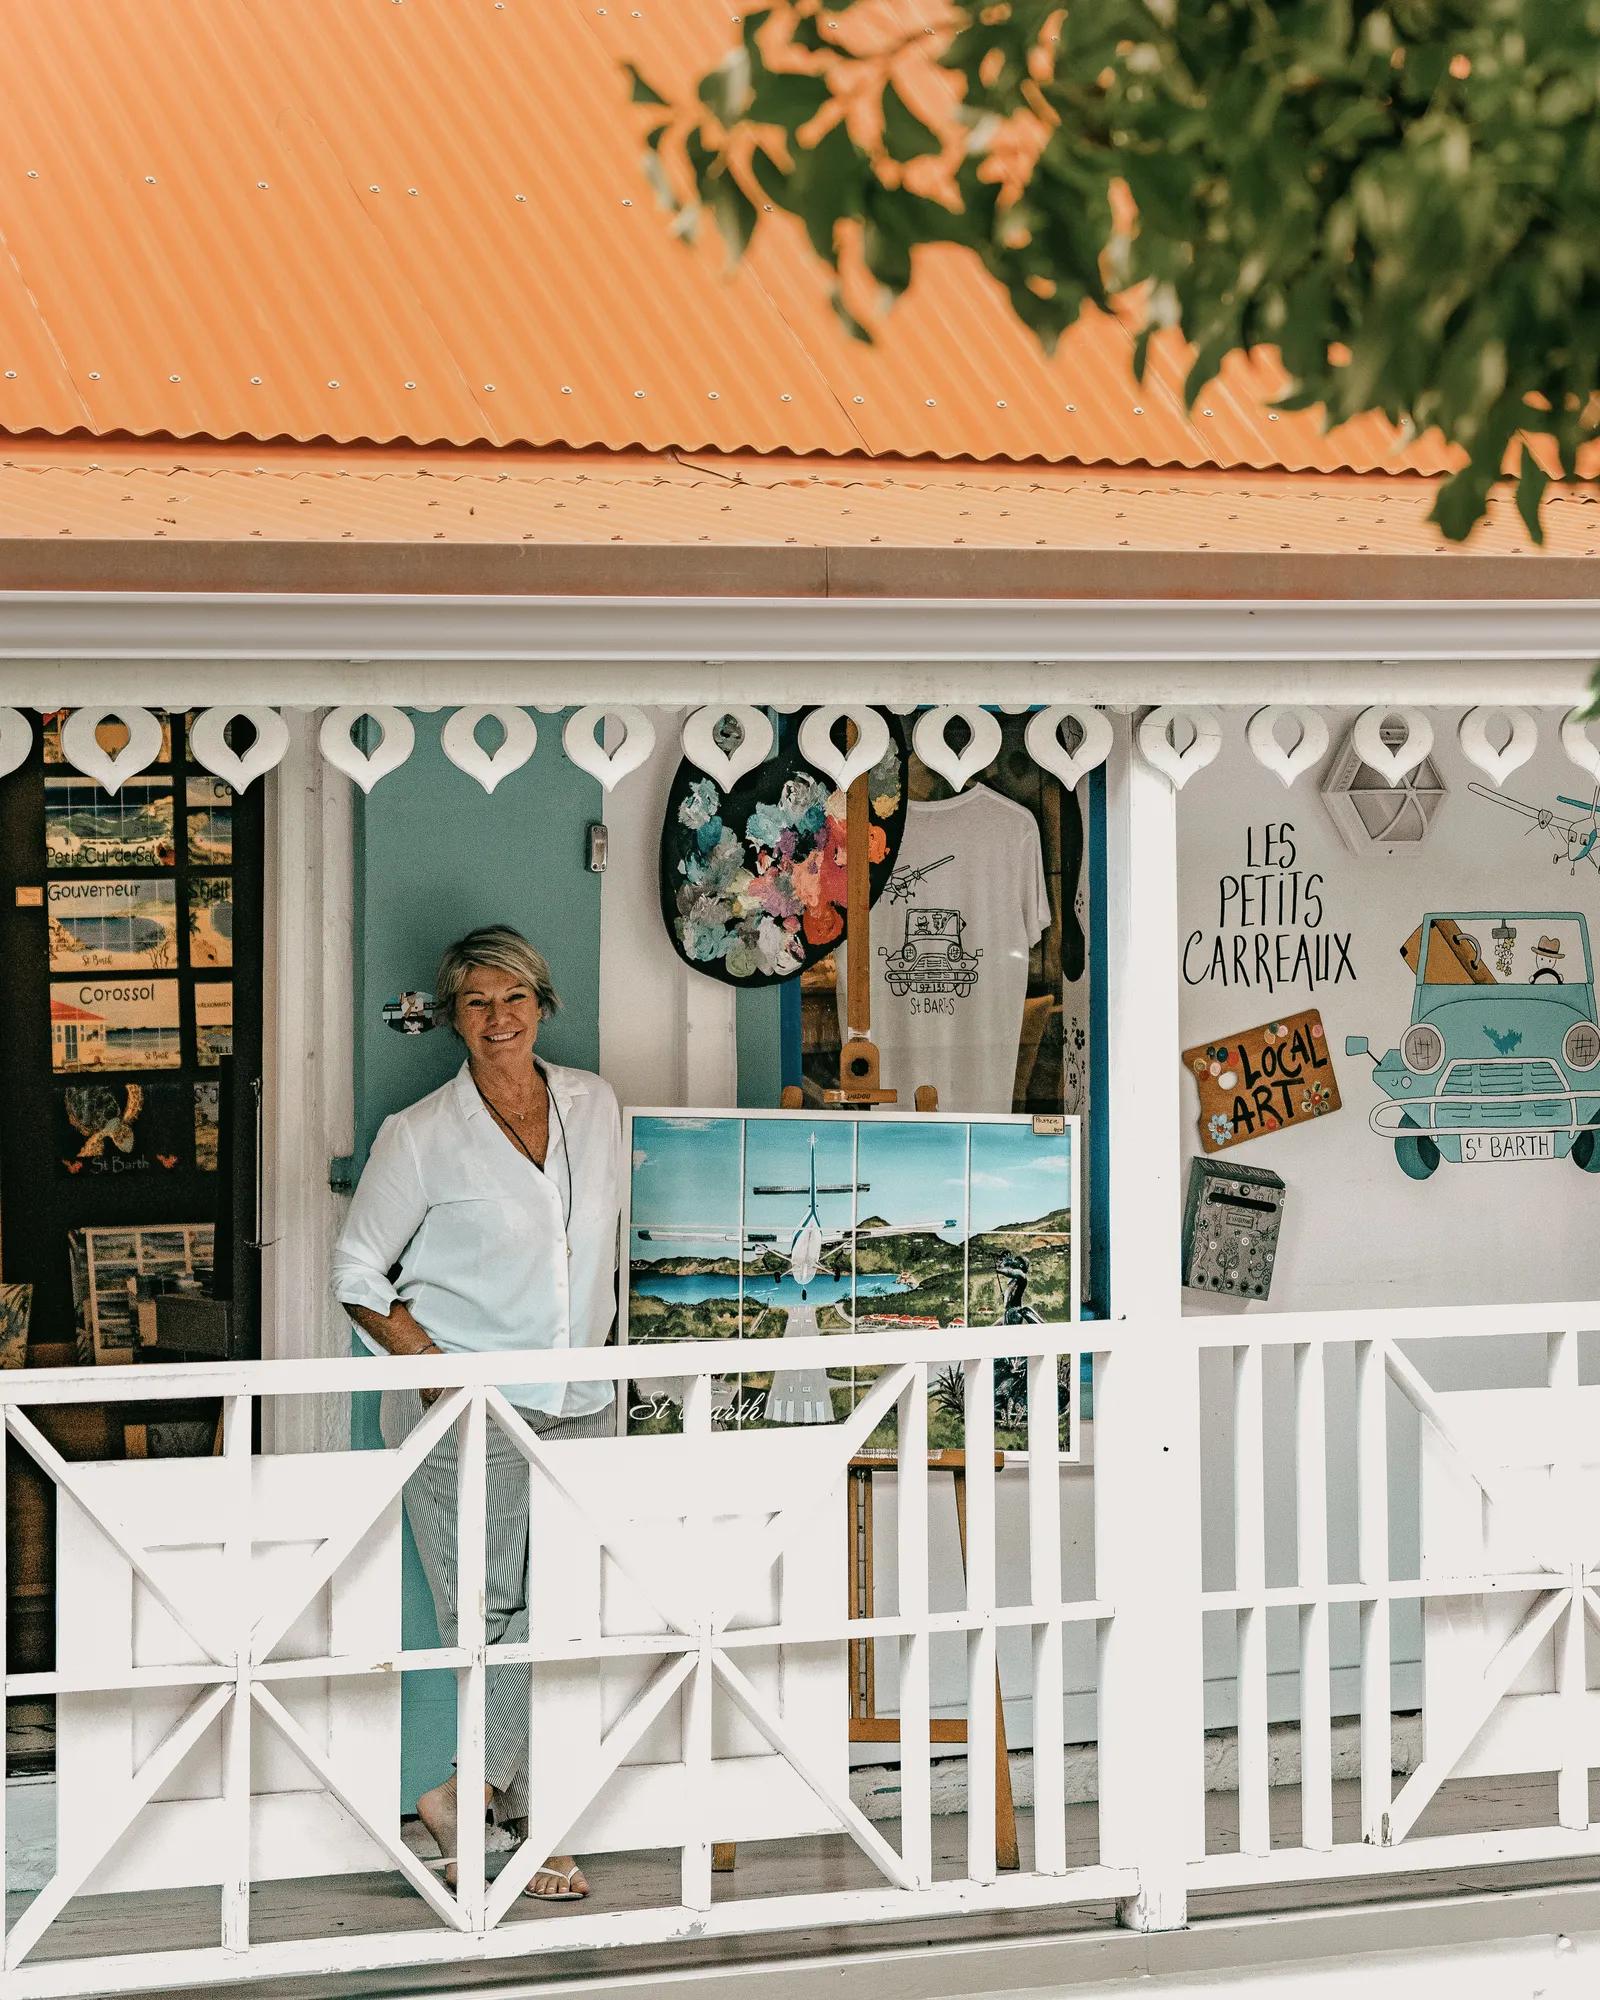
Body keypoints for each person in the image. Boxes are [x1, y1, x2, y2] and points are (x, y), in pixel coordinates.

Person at [332, 924, 622, 1903]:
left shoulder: (595, 1102)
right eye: (476, 1003)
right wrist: (430, 1367)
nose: (498, 1018)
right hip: (471, 1410)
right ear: (452, 1017)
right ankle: (518, 1828)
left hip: (584, 1398)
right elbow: (355, 1272)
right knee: (490, 1620)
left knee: (570, 1610)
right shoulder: (420, 1134)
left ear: (542, 1002)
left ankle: (469, 1795)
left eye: (514, 998)